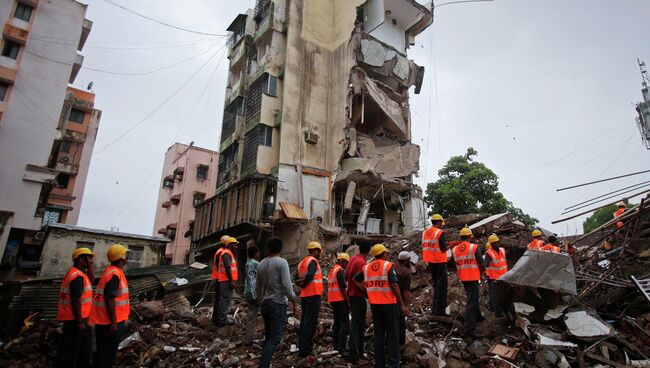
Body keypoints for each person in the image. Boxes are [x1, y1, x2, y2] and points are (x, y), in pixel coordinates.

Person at [353, 244, 408, 368]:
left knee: (379, 335)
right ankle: (393, 364)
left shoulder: (366, 268)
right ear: (383, 254)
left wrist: (366, 292)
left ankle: (379, 363)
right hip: (389, 304)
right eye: (386, 253)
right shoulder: (388, 266)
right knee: (393, 335)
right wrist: (402, 305)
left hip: (375, 305)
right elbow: (394, 285)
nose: (387, 255)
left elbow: (355, 280)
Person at [256, 237, 300, 368]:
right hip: (278, 303)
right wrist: (294, 301)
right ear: (280, 248)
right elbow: (287, 286)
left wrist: (260, 301)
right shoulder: (282, 263)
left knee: (269, 337)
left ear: (268, 248)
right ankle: (263, 365)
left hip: (265, 303)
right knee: (275, 339)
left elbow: (258, 287)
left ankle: (264, 363)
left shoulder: (261, 264)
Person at [90, 244, 130, 368]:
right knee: (107, 354)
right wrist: (113, 323)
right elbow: (110, 298)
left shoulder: (111, 271)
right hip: (110, 322)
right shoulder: (114, 274)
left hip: (105, 321)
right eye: (126, 255)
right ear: (122, 258)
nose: (127, 257)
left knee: (103, 352)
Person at [56, 247, 95, 368]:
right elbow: (76, 299)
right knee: (70, 351)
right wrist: (79, 321)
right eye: (88, 258)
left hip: (81, 318)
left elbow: (92, 280)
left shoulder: (79, 274)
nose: (91, 260)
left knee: (83, 348)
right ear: (80, 259)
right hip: (75, 319)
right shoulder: (77, 276)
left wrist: (89, 267)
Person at [451, 228, 485, 337]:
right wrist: (481, 273)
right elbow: (481, 263)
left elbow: (453, 264)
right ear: (470, 236)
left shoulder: (455, 249)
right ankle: (469, 329)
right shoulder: (473, 247)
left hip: (463, 277)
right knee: (472, 302)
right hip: (473, 277)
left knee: (473, 298)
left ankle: (479, 317)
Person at [296, 241, 324, 358]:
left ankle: (302, 346)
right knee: (310, 323)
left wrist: (301, 284)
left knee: (304, 321)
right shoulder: (312, 261)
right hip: (313, 294)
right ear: (315, 250)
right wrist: (305, 283)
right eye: (319, 252)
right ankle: (306, 349)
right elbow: (310, 274)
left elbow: (296, 277)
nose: (319, 254)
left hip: (305, 295)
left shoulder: (302, 262)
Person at [346, 240, 371, 364]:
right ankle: (355, 356)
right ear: (369, 250)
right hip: (358, 295)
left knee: (358, 325)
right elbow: (358, 281)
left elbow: (347, 276)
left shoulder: (353, 259)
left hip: (351, 294)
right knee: (357, 326)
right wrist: (368, 294)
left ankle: (359, 353)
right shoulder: (362, 262)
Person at [421, 214, 448, 316]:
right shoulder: (439, 232)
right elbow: (443, 248)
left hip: (430, 262)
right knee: (442, 288)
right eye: (441, 223)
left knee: (436, 286)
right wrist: (450, 245)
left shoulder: (425, 233)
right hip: (440, 262)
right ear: (439, 222)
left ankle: (434, 310)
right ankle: (440, 312)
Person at [327, 252, 350, 354]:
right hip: (340, 299)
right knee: (345, 324)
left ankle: (336, 346)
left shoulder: (333, 270)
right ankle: (342, 348)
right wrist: (348, 301)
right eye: (346, 262)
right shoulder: (339, 271)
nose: (347, 265)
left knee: (337, 323)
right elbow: (343, 288)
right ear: (342, 261)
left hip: (333, 299)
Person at [215, 236, 239, 326]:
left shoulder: (228, 253)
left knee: (224, 299)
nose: (236, 247)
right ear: (229, 245)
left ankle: (221, 319)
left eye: (237, 245)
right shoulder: (226, 254)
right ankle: (222, 320)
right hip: (225, 280)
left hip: (225, 280)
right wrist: (231, 281)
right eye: (234, 245)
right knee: (225, 299)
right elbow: (228, 268)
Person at [484, 235, 507, 318]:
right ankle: (497, 314)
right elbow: (485, 264)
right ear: (491, 244)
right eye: (493, 243)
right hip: (494, 278)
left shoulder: (502, 250)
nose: (495, 244)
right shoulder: (489, 253)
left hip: (503, 277)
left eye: (496, 242)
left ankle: (502, 311)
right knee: (495, 297)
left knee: (502, 296)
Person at [211, 235, 230, 324]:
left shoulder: (219, 251)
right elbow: (224, 267)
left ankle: (215, 318)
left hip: (217, 278)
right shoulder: (222, 253)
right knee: (222, 299)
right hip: (220, 279)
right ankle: (220, 319)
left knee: (218, 299)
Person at [243, 246, 260, 345]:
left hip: (249, 292)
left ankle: (248, 339)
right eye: (258, 252)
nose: (259, 254)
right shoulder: (256, 264)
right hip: (257, 292)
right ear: (255, 253)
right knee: (268, 314)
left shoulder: (247, 264)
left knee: (251, 316)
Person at [395, 251, 412, 346]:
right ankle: (400, 344)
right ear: (407, 261)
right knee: (400, 323)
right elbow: (406, 292)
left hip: (389, 299)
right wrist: (405, 306)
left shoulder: (393, 267)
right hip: (399, 300)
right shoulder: (406, 272)